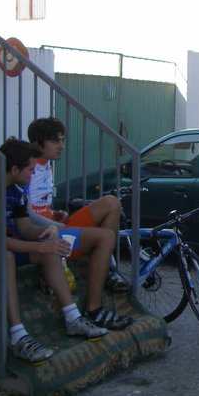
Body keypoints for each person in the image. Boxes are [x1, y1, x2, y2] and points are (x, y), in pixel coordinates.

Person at [0, 138, 133, 365]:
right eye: (31, 169)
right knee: (7, 256)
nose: (33, 175)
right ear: (14, 169)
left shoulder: (16, 189)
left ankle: (73, 316)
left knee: (53, 248)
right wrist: (39, 245)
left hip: (6, 243)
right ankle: (17, 336)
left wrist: (47, 232)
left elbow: (25, 228)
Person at [26, 116, 130, 293]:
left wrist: (53, 213)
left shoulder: (47, 167)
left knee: (112, 203)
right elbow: (25, 215)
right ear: (38, 143)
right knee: (103, 236)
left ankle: (106, 270)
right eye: (54, 141)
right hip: (45, 235)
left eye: (62, 140)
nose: (61, 146)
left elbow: (40, 204)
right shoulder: (28, 169)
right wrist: (56, 224)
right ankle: (105, 272)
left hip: (56, 226)